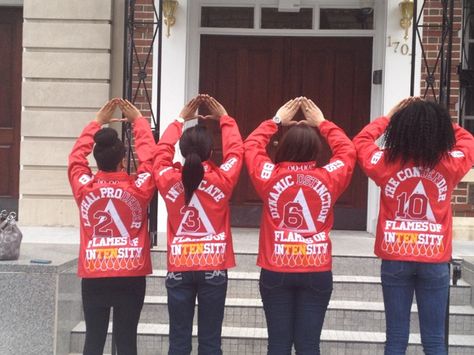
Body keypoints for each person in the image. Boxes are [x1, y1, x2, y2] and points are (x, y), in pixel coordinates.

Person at [353, 97, 474, 355]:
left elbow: (361, 142)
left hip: (395, 257)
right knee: (434, 340)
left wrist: (390, 116)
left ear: (401, 127)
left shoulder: (386, 162)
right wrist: (439, 121)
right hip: (434, 260)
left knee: (396, 338)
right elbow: (468, 141)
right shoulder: (450, 164)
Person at [244, 97, 357, 355]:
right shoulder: (329, 177)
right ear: (316, 150)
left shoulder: (270, 176)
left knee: (278, 345)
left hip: (276, 268)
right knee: (308, 346)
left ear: (283, 148)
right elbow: (348, 151)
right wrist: (323, 124)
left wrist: (275, 121)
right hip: (316, 270)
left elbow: (251, 146)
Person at [153, 95, 244, 355]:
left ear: (181, 150)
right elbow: (237, 151)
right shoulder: (223, 178)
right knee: (211, 342)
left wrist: (179, 120)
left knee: (178, 342)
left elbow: (159, 155)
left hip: (179, 267)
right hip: (214, 268)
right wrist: (225, 120)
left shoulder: (168, 178)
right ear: (211, 151)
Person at [68, 98, 156, 355]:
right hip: (130, 274)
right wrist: (139, 122)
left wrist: (96, 123)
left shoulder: (85, 186)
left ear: (96, 158)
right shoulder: (138, 188)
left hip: (95, 273)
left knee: (93, 341)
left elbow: (75, 159)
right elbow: (151, 162)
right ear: (123, 157)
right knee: (127, 342)